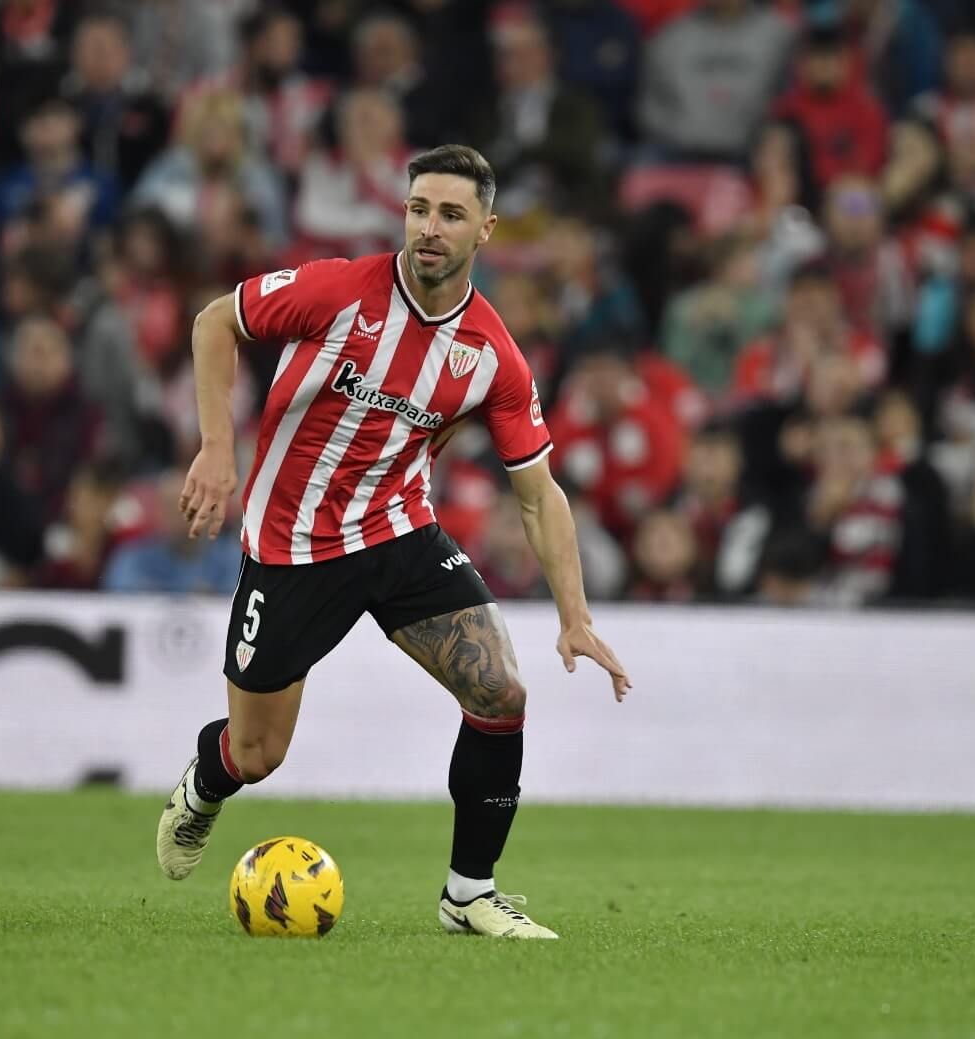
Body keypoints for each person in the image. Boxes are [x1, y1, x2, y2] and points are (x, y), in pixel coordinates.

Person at [157, 145, 631, 940]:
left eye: (450, 214)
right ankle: (206, 786)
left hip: (397, 530)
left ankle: (469, 894)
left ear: (487, 228)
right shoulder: (339, 289)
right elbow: (216, 322)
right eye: (418, 209)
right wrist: (216, 445)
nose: (429, 228)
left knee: (500, 692)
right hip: (292, 544)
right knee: (258, 752)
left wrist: (574, 615)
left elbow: (538, 494)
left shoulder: (491, 356)